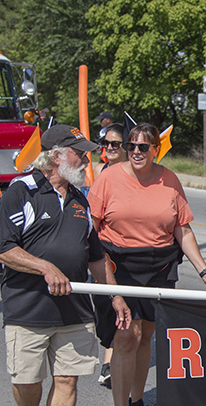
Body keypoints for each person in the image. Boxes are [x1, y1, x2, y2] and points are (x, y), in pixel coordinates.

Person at [0, 124, 131, 406]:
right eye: (78, 153)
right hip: (27, 306)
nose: (86, 159)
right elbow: (4, 250)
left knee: (67, 379)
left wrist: (116, 296)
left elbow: (96, 258)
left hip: (74, 309)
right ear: (55, 156)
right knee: (26, 382)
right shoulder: (21, 191)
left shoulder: (80, 199)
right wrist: (45, 267)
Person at [87, 122, 206, 406]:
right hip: (119, 266)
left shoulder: (169, 180)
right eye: (131, 145)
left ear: (155, 150)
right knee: (126, 337)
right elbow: (91, 230)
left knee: (146, 334)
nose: (136, 151)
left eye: (143, 147)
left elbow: (183, 230)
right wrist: (92, 269)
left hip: (160, 266)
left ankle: (137, 403)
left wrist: (204, 271)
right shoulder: (109, 178)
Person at [91, 122, 128, 389]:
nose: (110, 148)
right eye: (106, 144)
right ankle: (109, 354)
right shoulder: (100, 172)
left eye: (116, 144)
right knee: (105, 310)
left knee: (121, 306)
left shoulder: (137, 175)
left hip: (127, 253)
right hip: (103, 252)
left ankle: (110, 364)